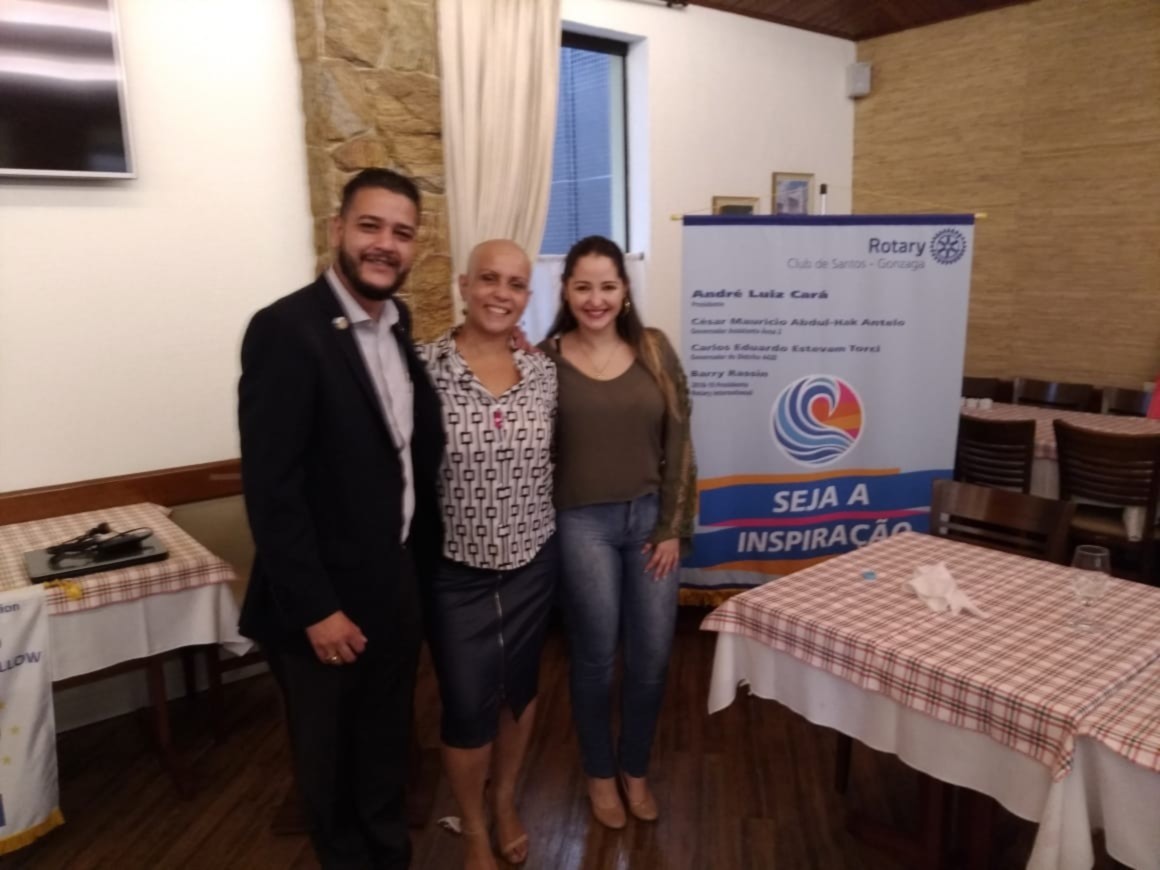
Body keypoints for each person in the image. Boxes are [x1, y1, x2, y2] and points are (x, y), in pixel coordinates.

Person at [238, 168, 445, 869]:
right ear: (337, 230)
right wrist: (317, 610)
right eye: (370, 226)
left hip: (392, 588)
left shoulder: (398, 323)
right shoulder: (284, 330)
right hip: (324, 610)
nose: (385, 244)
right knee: (330, 773)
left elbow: (402, 454)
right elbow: (273, 490)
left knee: (385, 753)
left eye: (402, 232)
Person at [539, 235, 696, 829]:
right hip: (582, 525)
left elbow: (681, 439)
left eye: (607, 286)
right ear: (565, 291)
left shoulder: (654, 349)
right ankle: (599, 775)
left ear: (625, 291)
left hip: (651, 524)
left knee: (652, 657)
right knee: (596, 658)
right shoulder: (544, 359)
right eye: (583, 286)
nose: (595, 299)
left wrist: (673, 526)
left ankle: (635, 768)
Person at [418, 240, 557, 870]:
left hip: (532, 561)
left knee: (518, 693)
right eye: (490, 279)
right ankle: (473, 828)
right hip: (455, 570)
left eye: (516, 284)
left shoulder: (544, 372)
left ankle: (504, 804)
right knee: (466, 701)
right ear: (464, 285)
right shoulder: (423, 368)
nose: (502, 294)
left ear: (528, 295)